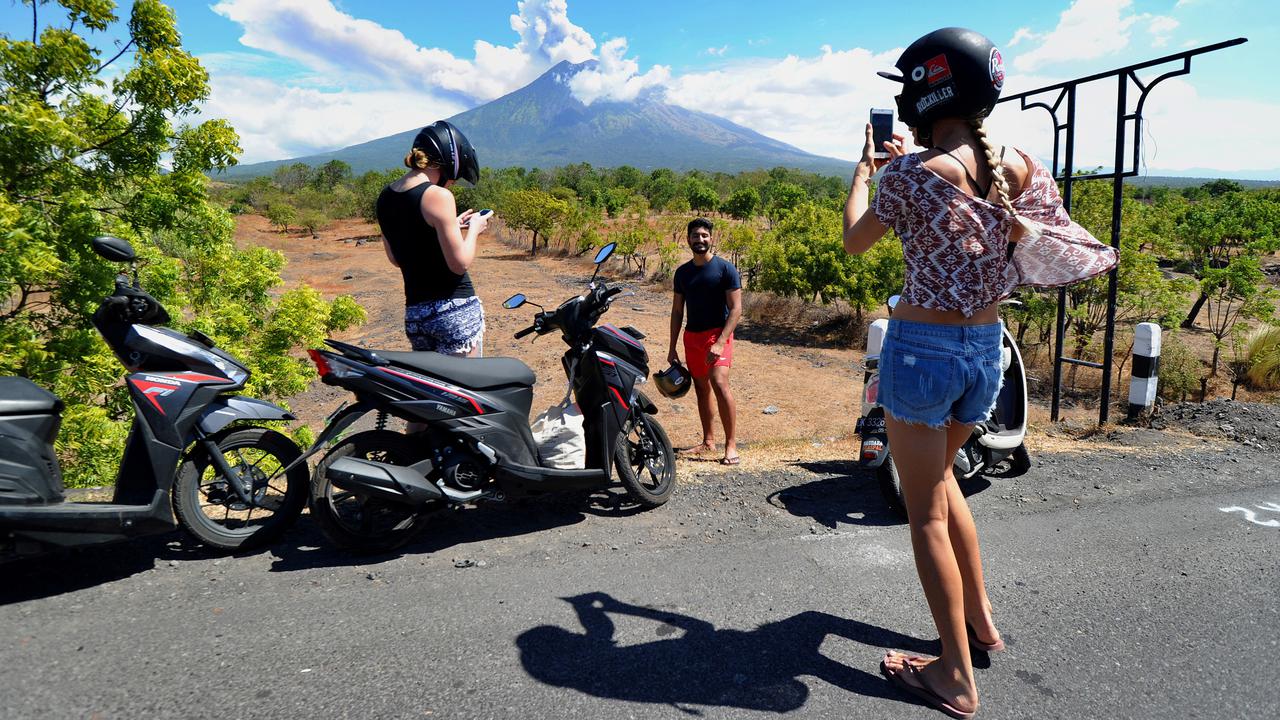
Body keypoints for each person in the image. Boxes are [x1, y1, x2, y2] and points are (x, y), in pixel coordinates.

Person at [843, 28, 1113, 718]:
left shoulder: (907, 176)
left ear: (926, 93)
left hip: (921, 351)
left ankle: (955, 676)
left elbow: (854, 242)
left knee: (922, 505)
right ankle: (982, 622)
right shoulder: (1021, 163)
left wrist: (866, 174)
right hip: (986, 351)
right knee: (942, 484)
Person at [376, 120, 490, 357]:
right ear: (449, 164)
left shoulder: (385, 197)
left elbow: (396, 258)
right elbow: (459, 264)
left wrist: (450, 226)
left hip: (416, 316)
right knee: (466, 391)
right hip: (453, 311)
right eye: (454, 179)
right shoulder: (438, 195)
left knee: (436, 389)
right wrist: (474, 229)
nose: (452, 184)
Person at [667, 218, 742, 466]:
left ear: (712, 238)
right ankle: (708, 441)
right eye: (695, 236)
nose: (700, 240)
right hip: (692, 337)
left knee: (719, 383)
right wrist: (672, 347)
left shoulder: (725, 269)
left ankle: (730, 445)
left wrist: (720, 342)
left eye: (704, 235)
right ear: (688, 239)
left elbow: (736, 310)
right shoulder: (683, 273)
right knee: (701, 388)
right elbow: (677, 312)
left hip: (717, 335)